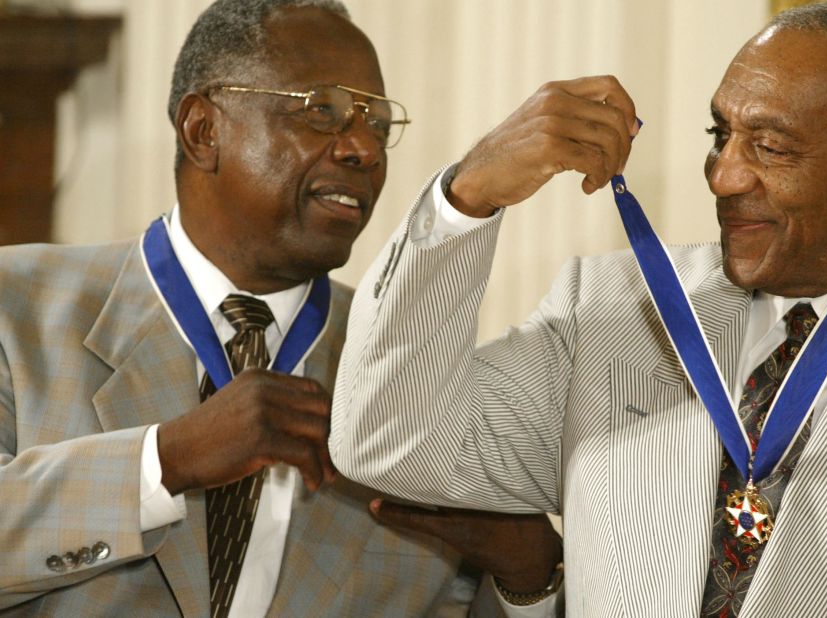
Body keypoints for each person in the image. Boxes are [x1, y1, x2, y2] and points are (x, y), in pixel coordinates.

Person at [329, 1, 827, 616]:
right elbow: (388, 443)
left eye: (768, 146)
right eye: (718, 133)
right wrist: (467, 200)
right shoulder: (611, 306)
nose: (723, 176)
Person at [0, 0, 562, 615]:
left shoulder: (413, 370)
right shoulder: (18, 307)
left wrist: (531, 578)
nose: (364, 150)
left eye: (377, 123)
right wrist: (166, 460)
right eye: (324, 110)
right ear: (202, 130)